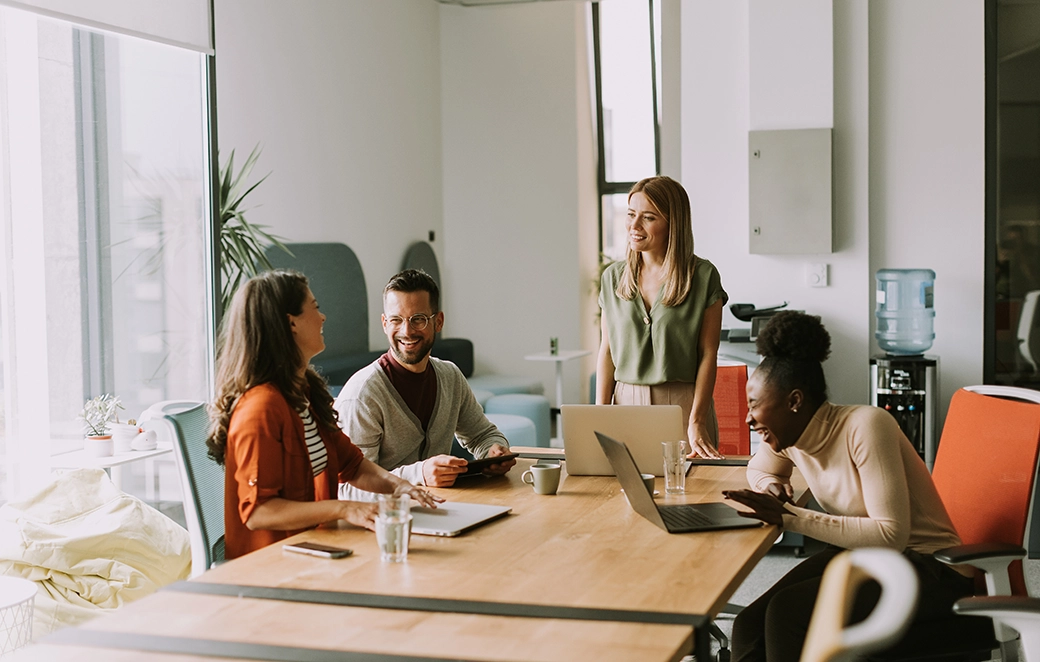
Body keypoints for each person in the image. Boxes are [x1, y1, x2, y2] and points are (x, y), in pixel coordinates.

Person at [722, 311, 974, 662]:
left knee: (787, 613)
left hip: (931, 567)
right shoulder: (788, 436)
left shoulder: (866, 425)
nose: (748, 418)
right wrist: (770, 486)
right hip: (862, 553)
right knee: (749, 623)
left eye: (755, 405)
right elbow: (759, 468)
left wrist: (789, 518)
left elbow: (891, 535)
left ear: (794, 401)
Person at [207, 269, 440, 560]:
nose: (323, 317)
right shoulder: (260, 408)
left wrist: (401, 487)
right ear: (291, 323)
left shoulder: (305, 392)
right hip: (271, 564)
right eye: (315, 308)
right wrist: (344, 508)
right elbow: (258, 512)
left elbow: (354, 466)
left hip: (314, 547)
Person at [335, 269, 515, 497]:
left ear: (438, 322)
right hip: (389, 517)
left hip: (444, 507)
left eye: (418, 319)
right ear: (384, 323)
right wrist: (418, 474)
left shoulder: (450, 376)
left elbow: (482, 435)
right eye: (396, 320)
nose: (407, 331)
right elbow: (348, 489)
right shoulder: (363, 394)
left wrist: (494, 452)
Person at [596, 175, 728, 458]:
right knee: (618, 486)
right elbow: (606, 352)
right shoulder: (613, 277)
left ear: (673, 224)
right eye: (631, 214)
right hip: (625, 404)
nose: (634, 225)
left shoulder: (703, 276)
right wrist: (599, 416)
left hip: (683, 407)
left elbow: (708, 354)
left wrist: (696, 420)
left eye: (648, 217)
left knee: (690, 486)